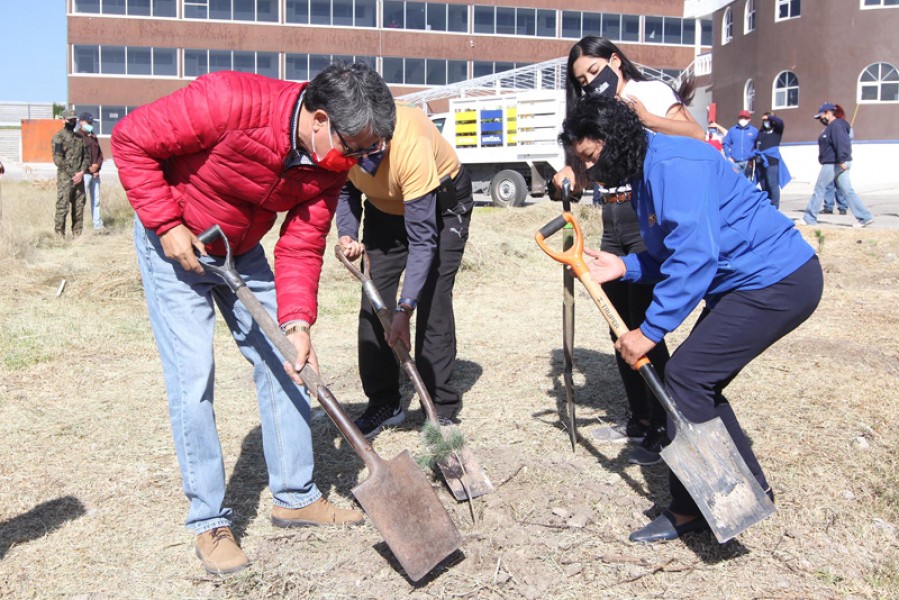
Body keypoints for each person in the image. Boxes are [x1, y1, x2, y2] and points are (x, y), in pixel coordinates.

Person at [111, 63, 396, 575]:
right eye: (352, 148)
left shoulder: (330, 162)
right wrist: (166, 223)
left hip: (239, 249)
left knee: (287, 360)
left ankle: (295, 494)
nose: (355, 161)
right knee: (194, 374)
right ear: (319, 119)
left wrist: (298, 322)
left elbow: (303, 242)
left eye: (364, 152)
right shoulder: (229, 100)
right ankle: (208, 521)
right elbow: (131, 140)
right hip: (174, 243)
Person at [560, 94, 822, 543]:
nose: (590, 171)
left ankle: (696, 508)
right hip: (743, 283)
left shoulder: (673, 164)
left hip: (776, 280)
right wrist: (625, 267)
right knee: (694, 381)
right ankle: (740, 490)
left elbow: (696, 258)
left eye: (591, 157)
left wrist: (650, 330)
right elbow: (670, 253)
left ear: (614, 139)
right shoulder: (645, 171)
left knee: (685, 377)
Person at [552, 35, 705, 466]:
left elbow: (697, 134)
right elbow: (582, 171)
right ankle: (639, 418)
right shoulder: (591, 114)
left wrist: (648, 117)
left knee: (643, 327)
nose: (588, 83)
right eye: (581, 80)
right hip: (613, 219)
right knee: (617, 325)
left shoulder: (648, 92)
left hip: (646, 217)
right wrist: (566, 175)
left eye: (594, 72)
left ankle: (663, 425)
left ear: (615, 61)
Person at [336, 101, 473, 437]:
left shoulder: (411, 141)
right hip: (384, 210)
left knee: (432, 297)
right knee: (373, 300)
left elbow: (423, 241)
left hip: (439, 207)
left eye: (371, 147)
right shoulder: (338, 139)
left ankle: (439, 408)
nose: (363, 156)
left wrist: (405, 308)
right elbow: (346, 188)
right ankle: (384, 402)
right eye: (354, 150)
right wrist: (347, 232)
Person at [802, 103, 874, 228]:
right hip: (839, 162)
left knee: (819, 188)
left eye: (821, 116)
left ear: (829, 113)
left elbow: (841, 143)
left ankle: (809, 218)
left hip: (834, 163)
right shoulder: (834, 126)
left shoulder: (836, 126)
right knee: (848, 191)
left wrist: (841, 160)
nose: (820, 119)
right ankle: (865, 217)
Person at [52, 109, 89, 237]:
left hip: (79, 179)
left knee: (79, 208)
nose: (72, 122)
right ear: (63, 120)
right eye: (70, 120)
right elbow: (57, 159)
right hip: (65, 180)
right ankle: (59, 236)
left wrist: (82, 172)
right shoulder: (58, 137)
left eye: (74, 120)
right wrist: (73, 173)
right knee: (62, 207)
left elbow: (87, 158)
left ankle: (77, 235)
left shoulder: (80, 138)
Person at [753, 111, 791, 209]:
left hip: (771, 161)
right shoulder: (760, 132)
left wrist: (770, 117)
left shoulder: (777, 132)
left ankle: (775, 206)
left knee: (772, 183)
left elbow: (780, 122)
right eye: (765, 120)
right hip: (760, 161)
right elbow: (755, 145)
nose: (766, 122)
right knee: (763, 184)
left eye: (768, 120)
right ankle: (767, 204)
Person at [78, 112, 105, 230]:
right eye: (87, 122)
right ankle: (79, 226)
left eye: (91, 123)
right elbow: (78, 156)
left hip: (95, 174)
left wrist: (97, 167)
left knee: (96, 201)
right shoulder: (77, 136)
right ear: (81, 122)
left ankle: (97, 225)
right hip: (84, 174)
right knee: (81, 201)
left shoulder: (93, 135)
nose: (90, 124)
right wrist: (89, 168)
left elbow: (100, 154)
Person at [722, 109, 758, 179]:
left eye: (745, 118)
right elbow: (725, 143)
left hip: (748, 162)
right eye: (741, 117)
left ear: (749, 119)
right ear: (738, 118)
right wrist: (728, 157)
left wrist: (752, 155)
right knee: (734, 181)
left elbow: (759, 146)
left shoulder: (754, 131)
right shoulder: (732, 130)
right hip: (735, 162)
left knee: (747, 182)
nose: (743, 119)